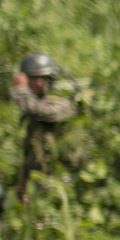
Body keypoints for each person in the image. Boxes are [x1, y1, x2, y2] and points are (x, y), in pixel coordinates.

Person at [11, 52, 77, 201]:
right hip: (42, 177)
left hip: (64, 175)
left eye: (37, 79)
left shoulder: (61, 100)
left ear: (48, 79)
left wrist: (21, 90)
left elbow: (44, 112)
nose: (32, 84)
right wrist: (24, 180)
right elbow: (32, 149)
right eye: (29, 79)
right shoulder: (36, 102)